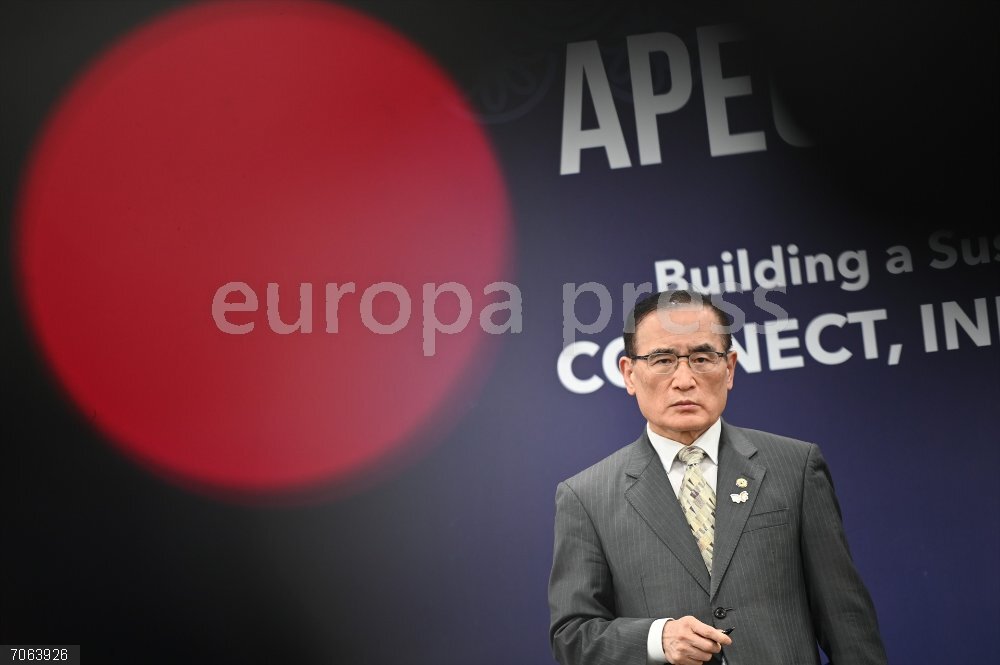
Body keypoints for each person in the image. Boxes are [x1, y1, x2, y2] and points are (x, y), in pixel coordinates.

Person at [548, 290, 887, 665]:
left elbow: (847, 623)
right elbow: (573, 637)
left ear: (729, 368)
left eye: (702, 357)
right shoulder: (586, 496)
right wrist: (657, 638)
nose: (684, 379)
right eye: (662, 359)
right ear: (629, 373)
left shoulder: (795, 466)